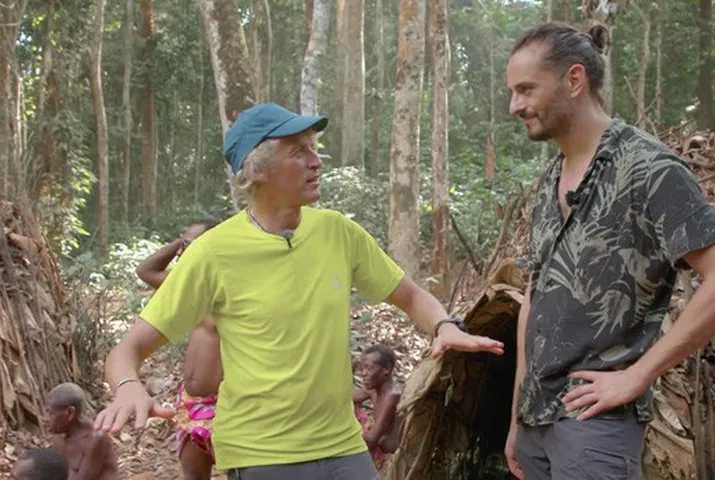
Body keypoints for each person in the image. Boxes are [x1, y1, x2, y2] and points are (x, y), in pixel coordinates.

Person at [94, 102, 504, 480]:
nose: (316, 161)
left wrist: (443, 325)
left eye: (314, 148)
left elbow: (411, 296)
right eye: (298, 151)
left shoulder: (338, 233)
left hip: (343, 446)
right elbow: (126, 351)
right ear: (255, 170)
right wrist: (129, 388)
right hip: (262, 456)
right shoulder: (212, 254)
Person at [503, 23, 715, 479]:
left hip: (594, 427)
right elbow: (535, 297)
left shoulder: (649, 168)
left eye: (525, 89)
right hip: (535, 423)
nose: (514, 106)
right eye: (512, 92)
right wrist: (517, 416)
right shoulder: (549, 180)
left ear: (574, 80)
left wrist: (638, 375)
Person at [135, 221, 221, 480]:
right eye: (185, 244)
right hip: (190, 402)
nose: (185, 251)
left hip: (225, 403)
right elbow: (145, 271)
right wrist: (180, 244)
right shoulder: (188, 286)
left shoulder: (230, 285)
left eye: (193, 244)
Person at [45, 383, 119, 480]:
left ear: (70, 413)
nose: (45, 418)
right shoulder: (59, 437)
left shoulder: (95, 438)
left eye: (50, 413)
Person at [352, 344, 402, 470]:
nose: (363, 373)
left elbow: (372, 440)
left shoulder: (392, 396)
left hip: (387, 456)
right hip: (373, 445)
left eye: (369, 368)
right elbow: (344, 400)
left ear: (387, 370)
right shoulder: (374, 389)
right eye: (362, 368)